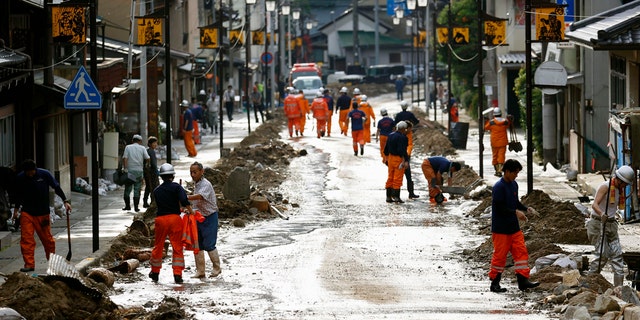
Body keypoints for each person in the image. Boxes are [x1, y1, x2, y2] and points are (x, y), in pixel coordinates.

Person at [488, 159, 540, 292]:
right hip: (501, 229)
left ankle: (523, 281)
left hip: (513, 228)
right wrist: (516, 213)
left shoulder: (513, 185)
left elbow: (515, 202)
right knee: (500, 256)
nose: (516, 175)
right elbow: (500, 208)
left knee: (521, 253)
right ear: (507, 171)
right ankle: (495, 283)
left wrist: (526, 208)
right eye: (515, 173)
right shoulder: (499, 187)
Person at [12, 159, 72, 272]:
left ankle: (52, 263)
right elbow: (18, 195)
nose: (30, 174)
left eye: (32, 171)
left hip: (43, 213)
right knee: (26, 239)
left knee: (47, 240)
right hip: (27, 213)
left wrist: (65, 201)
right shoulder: (20, 178)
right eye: (28, 172)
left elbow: (56, 187)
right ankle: (29, 264)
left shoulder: (44, 174)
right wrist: (16, 210)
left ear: (35, 169)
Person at [586, 165, 635, 287]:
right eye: (624, 184)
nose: (625, 187)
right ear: (618, 180)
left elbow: (613, 207)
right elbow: (595, 205)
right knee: (602, 255)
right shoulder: (605, 187)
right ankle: (590, 284)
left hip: (611, 224)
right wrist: (602, 213)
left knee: (617, 255)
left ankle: (619, 289)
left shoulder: (619, 190)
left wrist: (616, 215)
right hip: (598, 223)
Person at [149, 163, 193, 284]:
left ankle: (155, 272)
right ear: (172, 176)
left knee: (158, 245)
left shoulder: (157, 191)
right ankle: (177, 274)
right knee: (177, 247)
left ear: (161, 177)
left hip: (161, 220)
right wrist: (191, 212)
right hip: (174, 219)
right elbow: (184, 201)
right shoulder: (177, 187)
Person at [187, 162, 222, 278]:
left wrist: (185, 197)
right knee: (199, 244)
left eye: (195, 172)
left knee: (209, 244)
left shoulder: (206, 184)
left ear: (202, 172)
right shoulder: (196, 184)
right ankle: (200, 270)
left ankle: (217, 268)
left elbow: (200, 197)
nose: (192, 174)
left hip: (210, 217)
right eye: (191, 172)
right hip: (198, 216)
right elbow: (196, 202)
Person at [122, 134, 150, 212]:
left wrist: (125, 168)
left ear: (132, 140)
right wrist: (146, 165)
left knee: (128, 188)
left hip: (130, 171)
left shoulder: (128, 147)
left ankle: (127, 206)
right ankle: (136, 207)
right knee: (137, 189)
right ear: (140, 141)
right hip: (139, 171)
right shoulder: (142, 148)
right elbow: (148, 158)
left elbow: (125, 158)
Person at [383, 121, 409, 203]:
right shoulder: (403, 137)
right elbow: (402, 150)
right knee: (397, 178)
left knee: (390, 177)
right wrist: (406, 160)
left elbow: (386, 149)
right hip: (399, 159)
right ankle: (396, 197)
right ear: (403, 129)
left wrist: (386, 158)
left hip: (390, 158)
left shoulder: (390, 135)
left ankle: (388, 197)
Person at [484, 107, 510, 177]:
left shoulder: (491, 122)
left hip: (494, 142)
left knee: (495, 156)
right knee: (501, 156)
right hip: (503, 142)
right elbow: (509, 125)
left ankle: (497, 171)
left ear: (494, 115)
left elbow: (485, 128)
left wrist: (486, 121)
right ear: (501, 114)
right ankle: (500, 170)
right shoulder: (505, 122)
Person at [403, 121, 420, 199]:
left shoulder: (409, 134)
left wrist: (408, 154)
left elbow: (410, 144)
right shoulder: (399, 134)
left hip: (406, 156)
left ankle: (411, 193)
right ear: (407, 128)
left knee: (408, 175)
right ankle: (394, 194)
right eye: (410, 128)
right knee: (397, 177)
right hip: (399, 157)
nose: (411, 130)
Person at [143, 136, 160, 208]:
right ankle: (153, 202)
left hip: (147, 172)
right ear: (150, 144)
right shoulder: (151, 151)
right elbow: (153, 163)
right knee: (154, 187)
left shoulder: (148, 150)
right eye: (154, 143)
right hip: (151, 172)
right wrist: (156, 171)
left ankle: (145, 201)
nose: (156, 144)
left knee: (148, 187)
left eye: (156, 143)